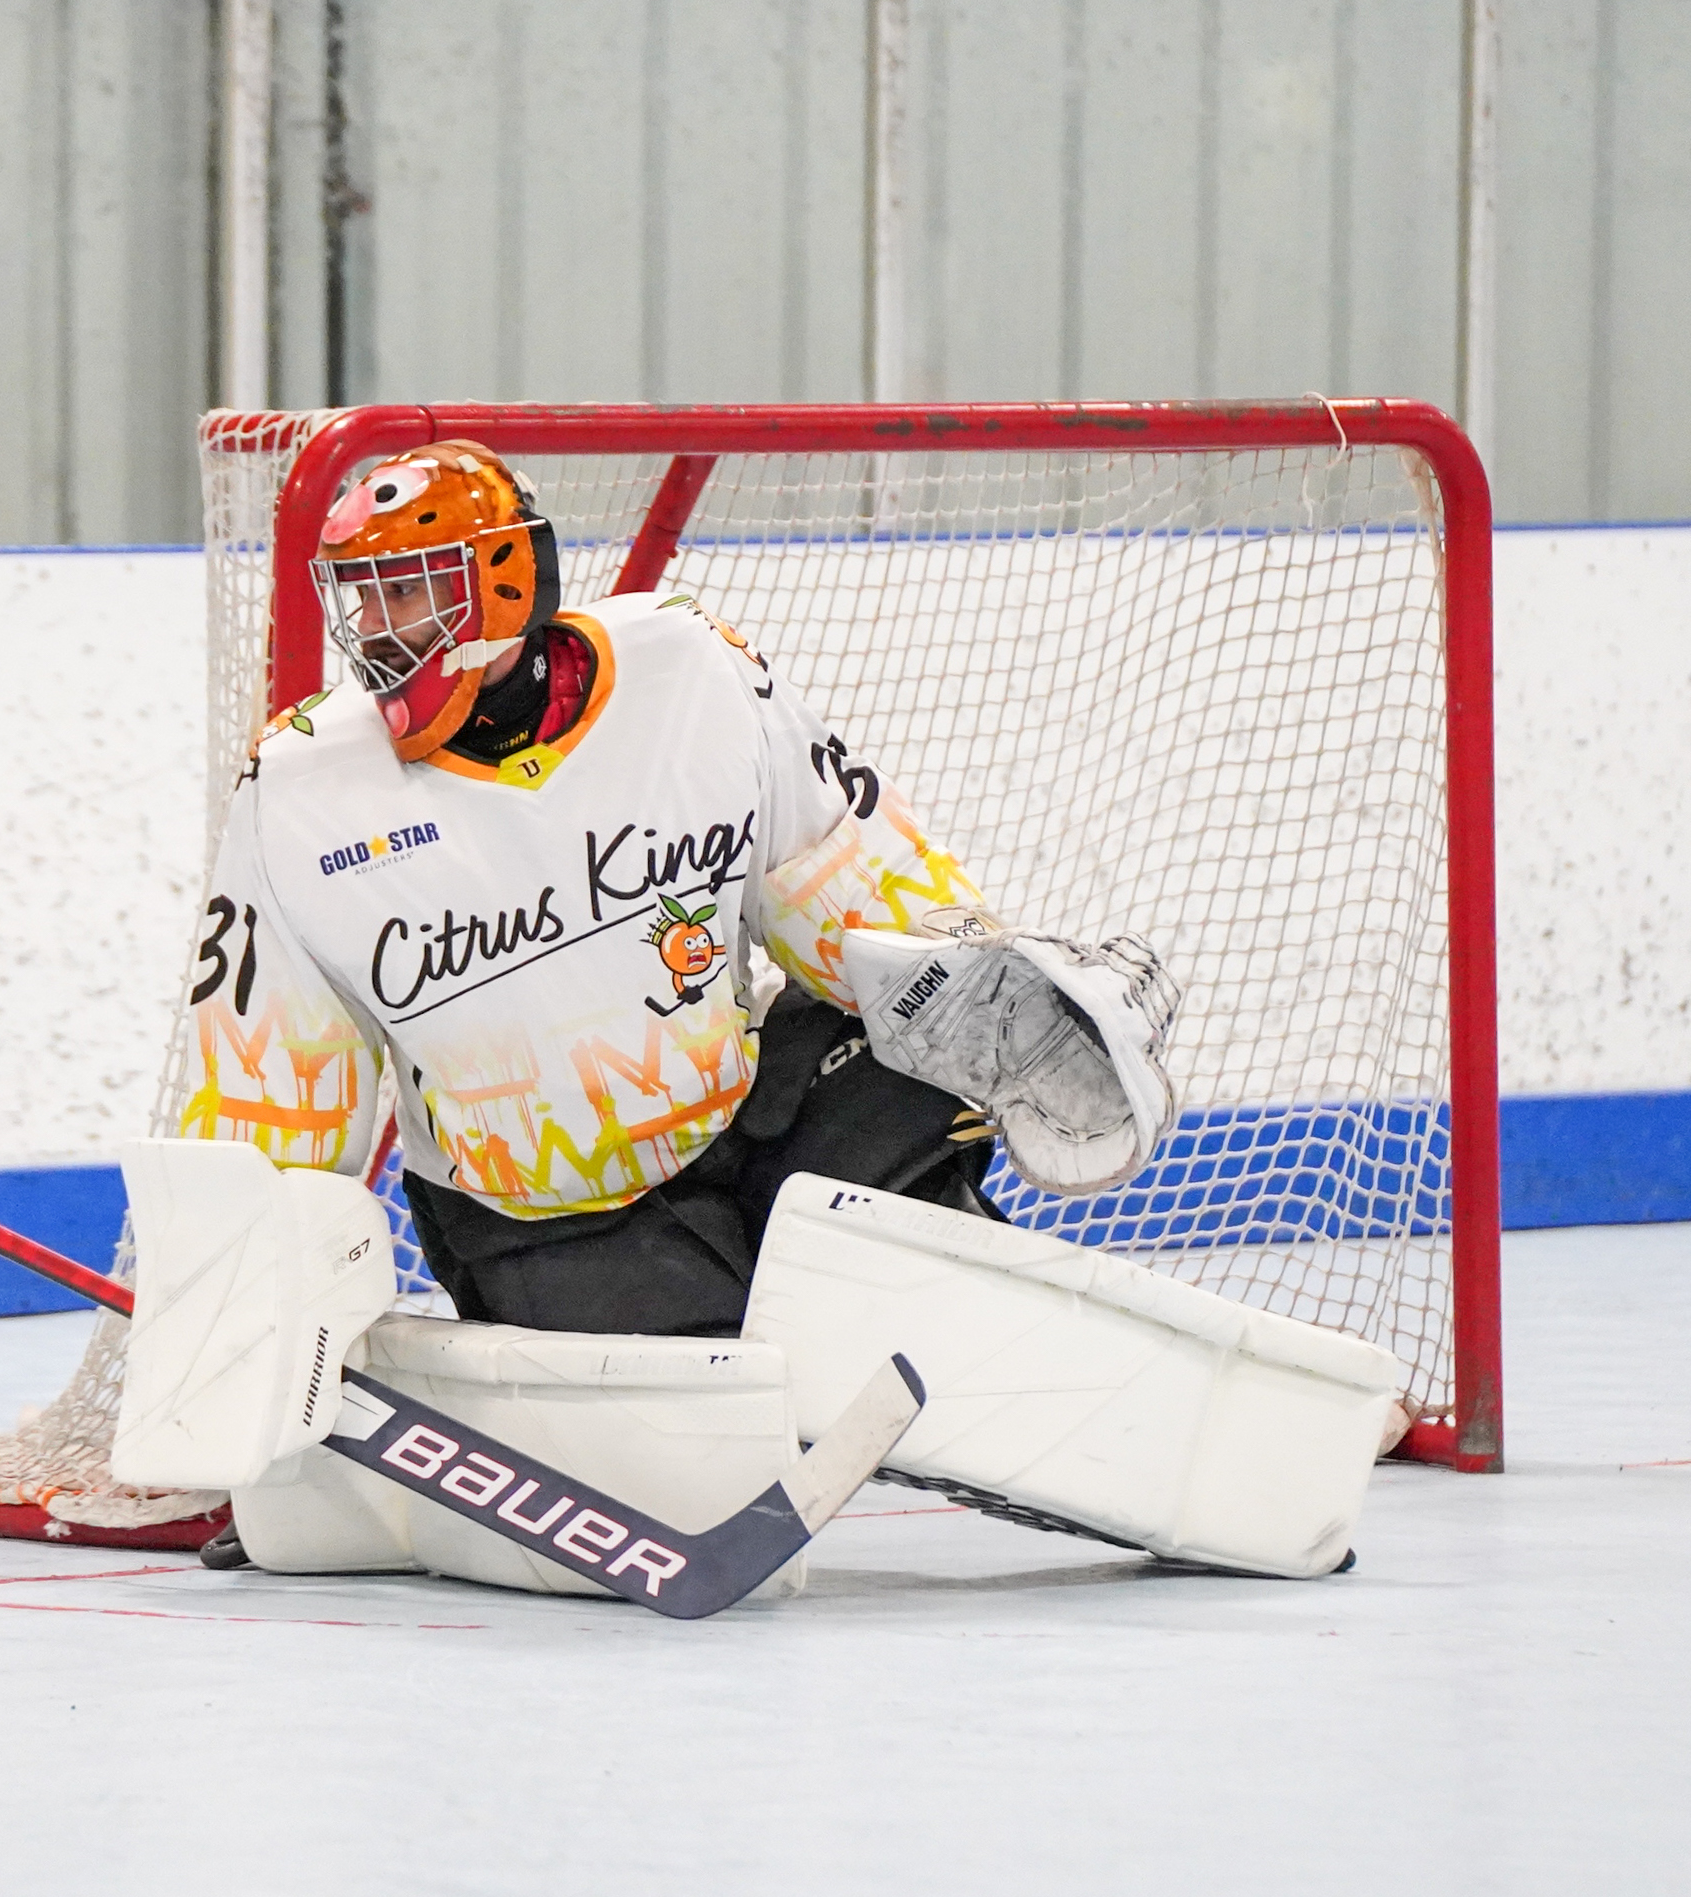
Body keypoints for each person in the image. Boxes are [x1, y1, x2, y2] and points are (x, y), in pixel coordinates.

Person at [175, 438, 1172, 1343]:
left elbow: (858, 905)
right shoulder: (300, 786)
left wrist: (1014, 1001)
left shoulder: (689, 668)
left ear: (506, 579)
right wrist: (242, 1365)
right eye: (362, 595)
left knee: (915, 1050)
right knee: (717, 1390)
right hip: (544, 1219)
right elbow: (273, 1100)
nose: (375, 628)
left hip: (738, 1131)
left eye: (407, 591)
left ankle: (958, 1303)